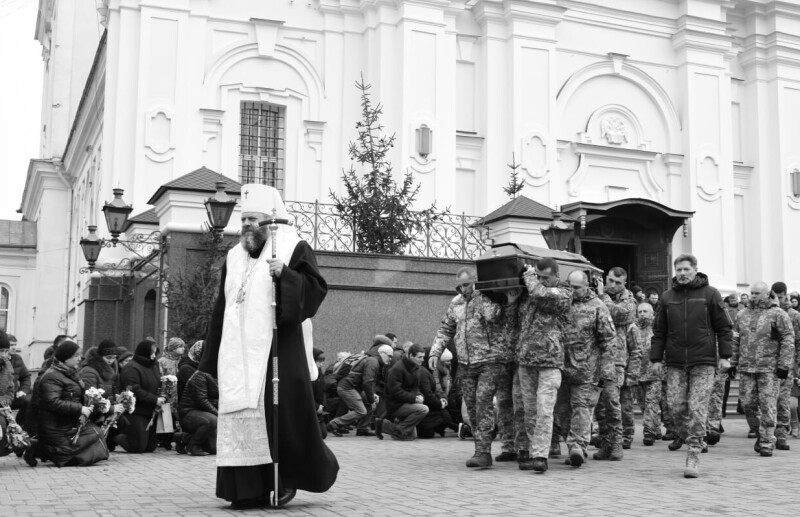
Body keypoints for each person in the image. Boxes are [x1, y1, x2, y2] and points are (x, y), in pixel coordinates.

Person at [198, 183, 338, 510]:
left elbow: (315, 290)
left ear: (270, 221)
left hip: (279, 350)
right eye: (243, 219)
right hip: (238, 356)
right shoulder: (234, 256)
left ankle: (284, 479)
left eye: (254, 219)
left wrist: (286, 276)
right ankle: (246, 490)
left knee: (281, 416)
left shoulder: (292, 247)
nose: (247, 225)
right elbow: (222, 308)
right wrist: (210, 357)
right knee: (240, 416)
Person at [651, 254, 733, 478]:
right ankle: (693, 438)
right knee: (675, 408)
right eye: (679, 270)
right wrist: (656, 359)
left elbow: (724, 328)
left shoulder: (711, 294)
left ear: (695, 269)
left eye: (686, 269)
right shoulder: (667, 297)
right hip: (676, 363)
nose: (682, 273)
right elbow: (659, 332)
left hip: (703, 362)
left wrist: (725, 356)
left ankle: (694, 454)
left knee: (697, 409)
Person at [428, 266, 502, 467]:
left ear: (475, 281)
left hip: (488, 361)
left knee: (483, 403)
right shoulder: (456, 302)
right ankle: (480, 449)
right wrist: (435, 352)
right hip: (465, 364)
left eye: (467, 284)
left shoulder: (486, 298)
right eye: (460, 285)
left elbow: (495, 316)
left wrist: (483, 296)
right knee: (471, 407)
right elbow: (445, 328)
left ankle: (484, 452)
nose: (463, 289)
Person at [515, 258, 572, 472]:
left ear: (556, 276)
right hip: (526, 359)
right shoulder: (529, 291)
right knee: (529, 411)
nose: (540, 280)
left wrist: (529, 276)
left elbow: (541, 294)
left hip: (550, 360)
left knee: (545, 409)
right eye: (537, 276)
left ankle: (541, 455)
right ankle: (533, 451)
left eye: (545, 277)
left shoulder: (564, 292)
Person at [554, 270, 615, 467]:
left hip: (586, 369)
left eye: (577, 287)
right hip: (562, 368)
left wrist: (606, 370)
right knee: (563, 410)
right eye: (570, 287)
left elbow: (608, 340)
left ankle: (578, 446)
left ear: (587, 286)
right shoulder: (561, 304)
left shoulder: (597, 306)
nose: (573, 291)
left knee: (581, 408)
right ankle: (571, 444)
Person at [731, 282, 794, 457]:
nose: (753, 296)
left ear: (767, 294)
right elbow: (735, 340)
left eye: (757, 293)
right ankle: (761, 433)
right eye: (751, 293)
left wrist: (784, 364)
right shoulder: (742, 314)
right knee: (747, 404)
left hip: (769, 369)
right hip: (746, 368)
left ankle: (767, 441)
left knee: (768, 406)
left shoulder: (778, 314)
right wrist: (732, 362)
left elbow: (788, 339)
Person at [24, 340, 111, 468]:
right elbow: (52, 402)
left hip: (67, 423)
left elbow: (75, 396)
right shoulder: (52, 376)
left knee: (97, 435)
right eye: (76, 356)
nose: (80, 358)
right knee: (68, 459)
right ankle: (37, 447)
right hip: (55, 427)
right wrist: (80, 409)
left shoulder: (70, 373)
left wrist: (95, 401)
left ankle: (44, 448)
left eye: (80, 355)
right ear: (65, 358)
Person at [594, 267, 638, 458]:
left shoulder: (629, 300)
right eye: (610, 280)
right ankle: (606, 443)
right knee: (599, 406)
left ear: (624, 283)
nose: (613, 285)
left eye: (618, 282)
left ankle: (617, 444)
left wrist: (602, 296)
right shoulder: (595, 295)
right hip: (596, 359)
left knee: (612, 403)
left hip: (615, 361)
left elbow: (620, 314)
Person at [327, 342, 392, 437]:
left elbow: (367, 381)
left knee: (369, 404)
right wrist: (371, 399)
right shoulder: (373, 361)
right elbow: (367, 382)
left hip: (351, 387)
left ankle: (362, 428)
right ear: (382, 353)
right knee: (361, 411)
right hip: (347, 388)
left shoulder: (372, 360)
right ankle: (334, 424)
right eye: (389, 356)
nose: (390, 359)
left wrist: (372, 396)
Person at [114, 340, 164, 454]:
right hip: (136, 411)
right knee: (138, 447)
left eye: (155, 353)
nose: (154, 356)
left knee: (150, 447)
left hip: (151, 410)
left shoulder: (154, 366)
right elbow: (134, 389)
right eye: (152, 353)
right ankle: (116, 436)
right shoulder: (131, 368)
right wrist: (155, 399)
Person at [771, 282, 800, 450]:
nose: (778, 300)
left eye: (780, 297)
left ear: (785, 295)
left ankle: (781, 432)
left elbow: (798, 341)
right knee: (768, 400)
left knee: (783, 400)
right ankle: (767, 432)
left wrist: (797, 363)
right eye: (775, 297)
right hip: (768, 363)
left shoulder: (794, 315)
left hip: (788, 363)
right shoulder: (767, 313)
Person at [380, 343, 429, 440]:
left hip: (406, 402)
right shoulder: (397, 369)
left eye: (423, 357)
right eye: (420, 357)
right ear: (411, 356)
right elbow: (395, 392)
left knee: (412, 436)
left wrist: (419, 395)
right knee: (424, 409)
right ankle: (397, 430)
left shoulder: (415, 367)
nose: (423, 360)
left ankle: (384, 425)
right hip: (396, 405)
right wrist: (414, 398)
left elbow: (416, 388)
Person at [179, 340, 219, 457]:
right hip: (190, 411)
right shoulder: (200, 374)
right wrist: (218, 413)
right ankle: (193, 445)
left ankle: (186, 438)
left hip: (207, 411)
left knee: (214, 448)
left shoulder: (217, 371)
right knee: (213, 420)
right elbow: (202, 400)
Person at [631, 303, 661, 445]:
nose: (642, 314)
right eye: (640, 311)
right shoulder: (633, 328)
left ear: (652, 313)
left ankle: (648, 432)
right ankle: (655, 427)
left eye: (645, 311)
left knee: (651, 403)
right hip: (638, 373)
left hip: (654, 373)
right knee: (643, 404)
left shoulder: (657, 328)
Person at [416, 347, 452, 438]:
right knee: (445, 416)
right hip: (428, 402)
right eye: (420, 357)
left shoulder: (432, 370)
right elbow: (431, 391)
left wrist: (442, 399)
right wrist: (440, 402)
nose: (422, 359)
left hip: (431, 401)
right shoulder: (428, 372)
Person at [0, 331, 31, 431]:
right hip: (3, 402)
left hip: (11, 396)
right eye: (11, 345)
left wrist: (23, 390)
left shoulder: (16, 359)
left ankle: (21, 425)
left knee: (30, 401)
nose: (14, 348)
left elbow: (26, 376)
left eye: (15, 345)